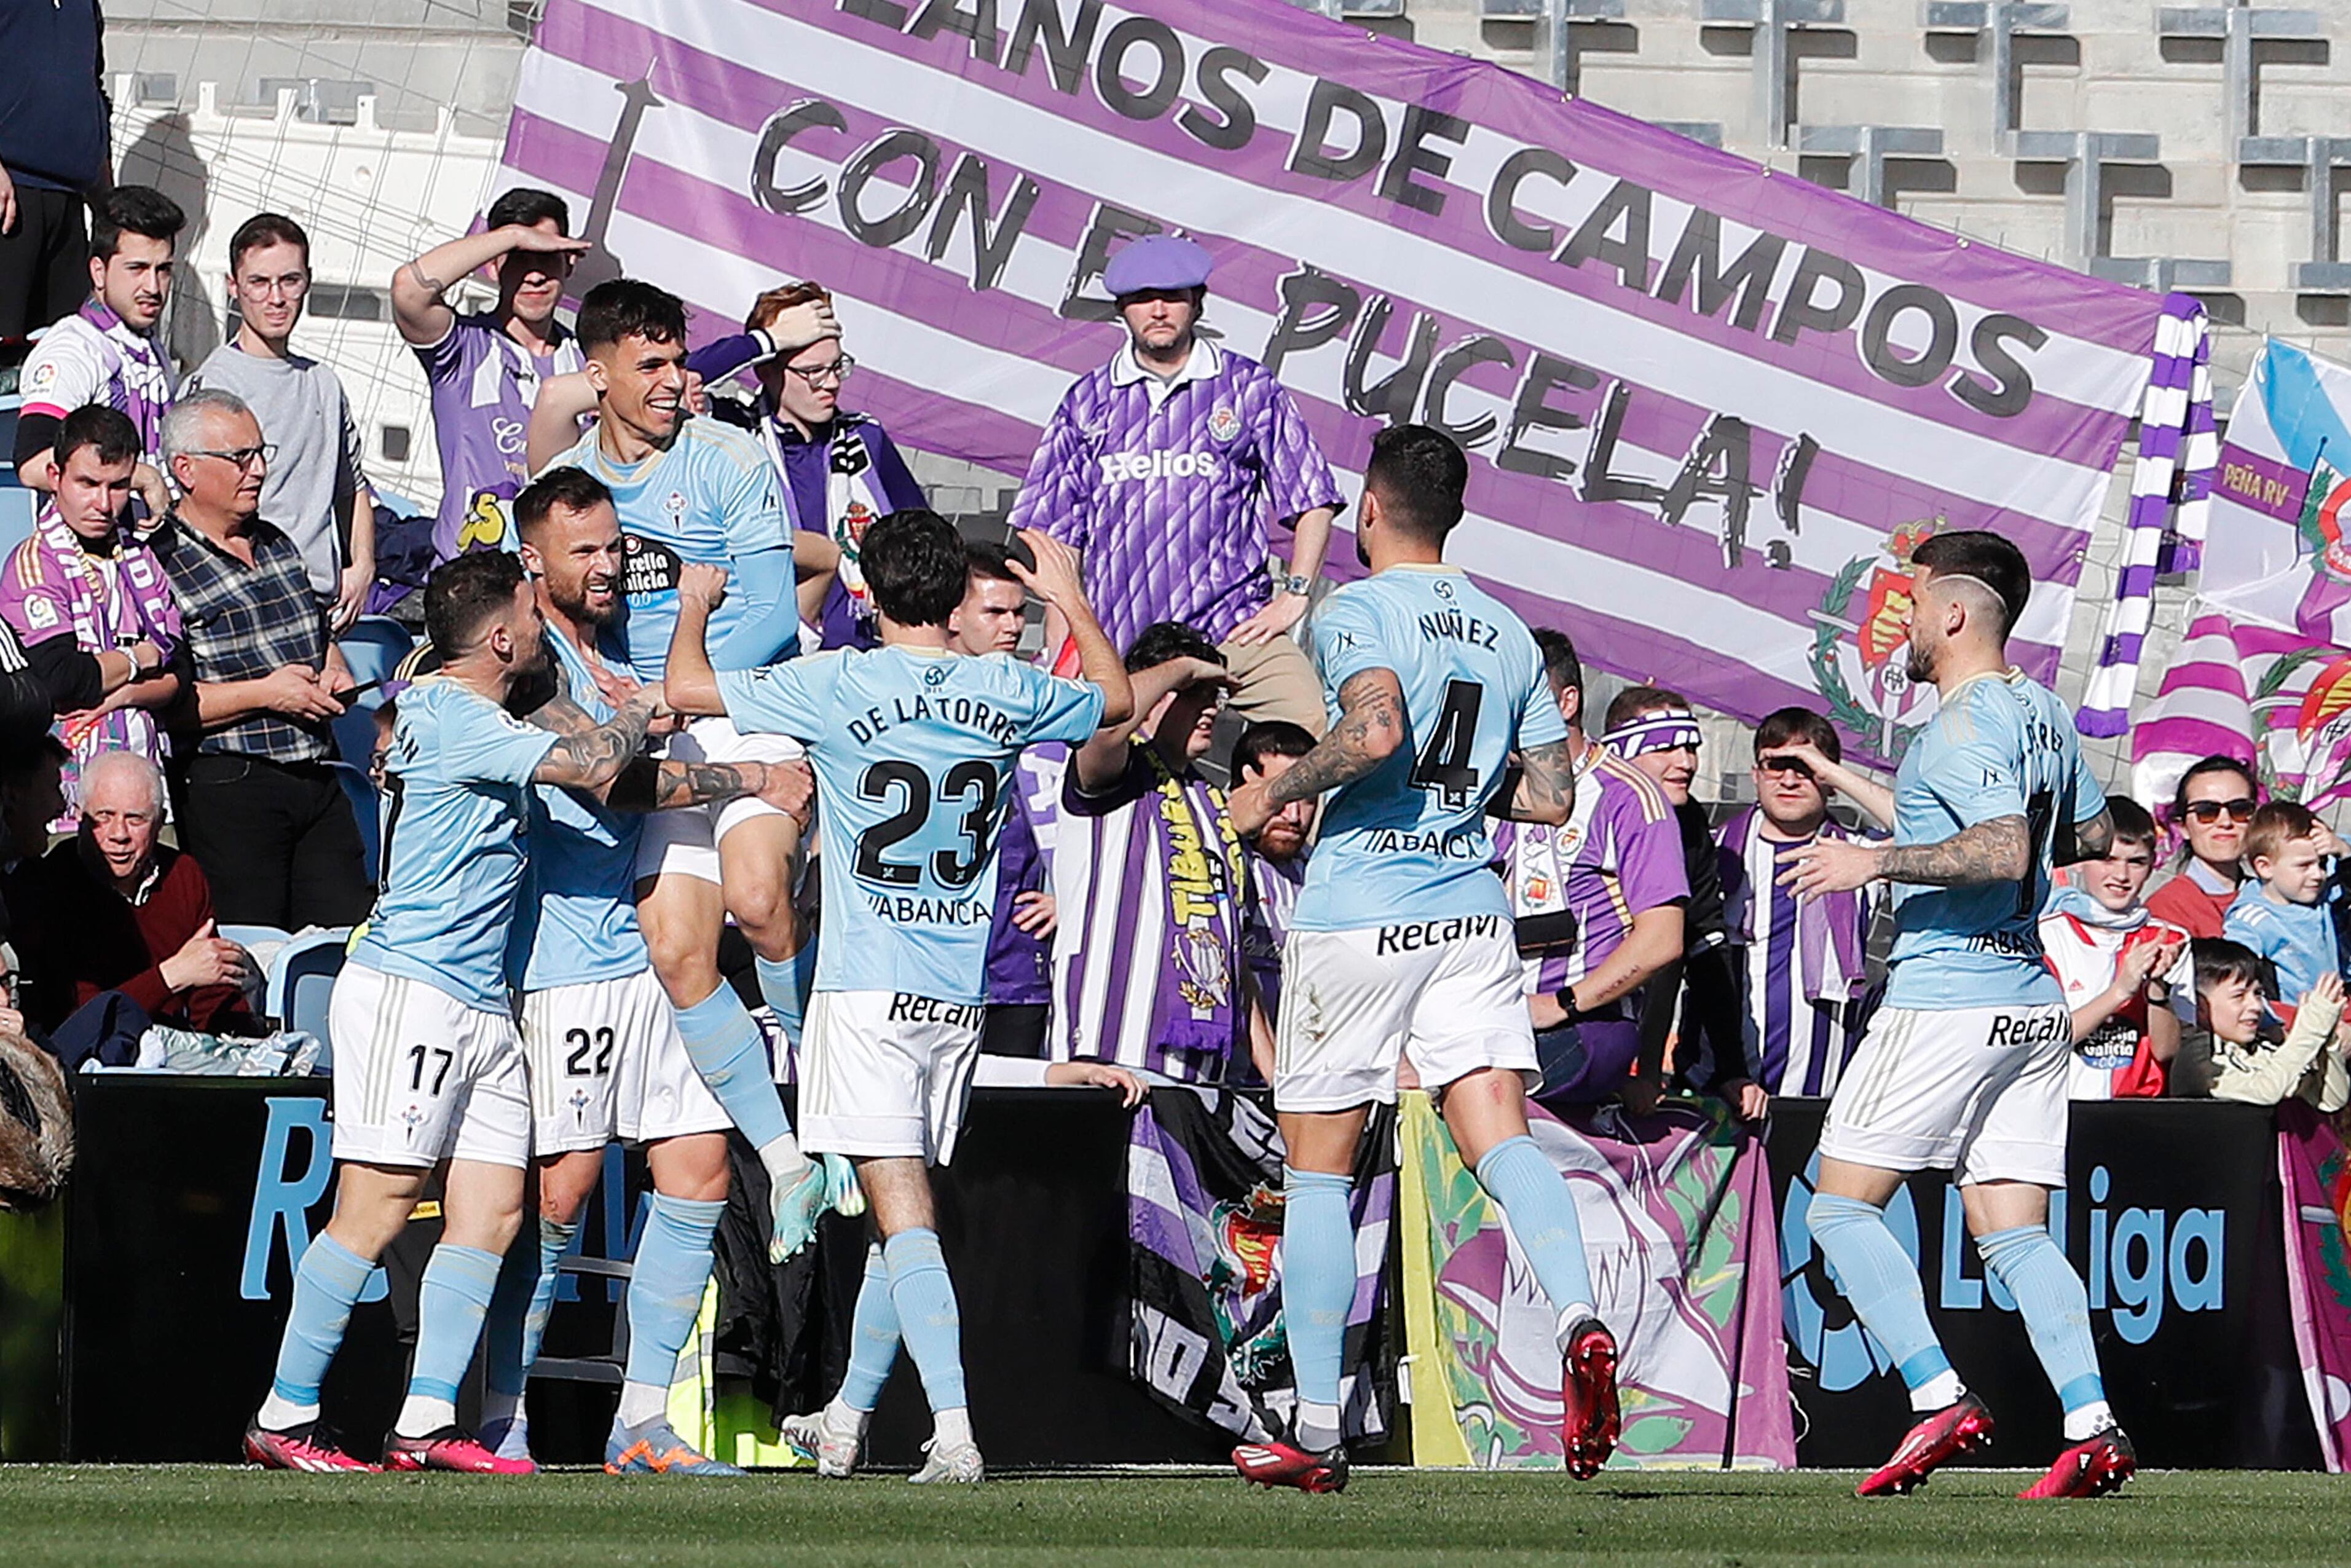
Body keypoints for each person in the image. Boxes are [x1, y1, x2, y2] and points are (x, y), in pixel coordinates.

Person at [663, 510, 1132, 1485]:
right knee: (897, 1204)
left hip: (867, 985)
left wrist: (698, 605)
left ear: (866, 595)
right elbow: (1116, 703)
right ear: (959, 601)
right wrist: (1069, 598)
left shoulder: (838, 679)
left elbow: (684, 690)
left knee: (905, 1213)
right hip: (957, 993)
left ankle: (954, 1430)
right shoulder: (1003, 685)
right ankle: (844, 1415)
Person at [1221, 424, 1602, 1494]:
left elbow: (1377, 728)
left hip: (1361, 913)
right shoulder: (1507, 631)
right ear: (1458, 516)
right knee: (1502, 1140)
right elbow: (1551, 795)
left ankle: (1315, 1425)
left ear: (1371, 511)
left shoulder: (1361, 608)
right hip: (1470, 915)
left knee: (1319, 1168)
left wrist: (1276, 789)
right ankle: (1578, 1312)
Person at [245, 548, 663, 1475]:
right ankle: (284, 1411)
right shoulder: (454, 714)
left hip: (480, 999)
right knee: (377, 1205)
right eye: (531, 610)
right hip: (415, 988)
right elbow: (591, 764)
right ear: (505, 635)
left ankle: (427, 1419)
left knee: (492, 1209)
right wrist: (636, 709)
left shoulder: (449, 700)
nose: (543, 624)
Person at [1779, 528, 2130, 1501]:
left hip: (1949, 995)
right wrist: (1849, 783)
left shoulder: (1965, 722)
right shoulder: (2039, 711)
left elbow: (2004, 848)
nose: (1900, 612)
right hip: (2026, 999)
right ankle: (2092, 1422)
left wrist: (1870, 862)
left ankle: (1936, 1395)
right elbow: (2090, 832)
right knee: (2015, 1235)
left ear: (1956, 612)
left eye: (1914, 593)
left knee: (1840, 1207)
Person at [486, 466, 815, 1475]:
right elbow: (613, 779)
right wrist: (750, 774)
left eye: (613, 546)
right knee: (564, 1189)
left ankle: (642, 1422)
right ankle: (500, 1417)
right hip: (569, 956)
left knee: (699, 1172)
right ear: (533, 558)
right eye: (583, 550)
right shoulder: (534, 667)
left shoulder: (615, 652)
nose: (607, 566)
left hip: (648, 961)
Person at [537, 278, 835, 1254]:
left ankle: (815, 1085)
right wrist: (630, 704)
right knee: (675, 949)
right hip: (651, 730)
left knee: (756, 898)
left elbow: (761, 611)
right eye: (651, 366)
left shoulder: (728, 456)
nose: (674, 384)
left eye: (679, 361)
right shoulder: (575, 482)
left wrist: (681, 690)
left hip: (738, 707)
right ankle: (790, 1156)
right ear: (599, 375)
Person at [1008, 234, 1341, 733]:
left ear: (1197, 302)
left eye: (1172, 296)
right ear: (1122, 309)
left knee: (1309, 725)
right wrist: (1065, 634)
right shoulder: (1087, 401)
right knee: (1097, 763)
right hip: (1121, 633)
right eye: (1143, 298)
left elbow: (1312, 496)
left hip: (1234, 626)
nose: (1158, 309)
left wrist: (1295, 594)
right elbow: (1053, 532)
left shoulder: (1248, 388)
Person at [150, 389, 372, 930]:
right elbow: (168, 706)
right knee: (251, 950)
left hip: (317, 775)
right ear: (186, 469)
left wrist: (334, 666)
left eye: (260, 452)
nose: (258, 469)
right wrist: (268, 694)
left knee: (346, 938)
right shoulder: (159, 565)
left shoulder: (276, 543)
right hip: (232, 784)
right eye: (239, 457)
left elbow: (317, 635)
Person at [1054, 621, 1264, 1085]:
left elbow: (1233, 953)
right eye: (1195, 692)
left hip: (1204, 1073)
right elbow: (1107, 725)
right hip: (1111, 1061)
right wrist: (1182, 668)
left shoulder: (1212, 800)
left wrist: (1276, 1076)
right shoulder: (1116, 769)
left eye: (1215, 695)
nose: (1210, 707)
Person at [1495, 630, 1685, 1109]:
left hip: (1585, 1024)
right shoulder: (1490, 790)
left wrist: (1561, 1003)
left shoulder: (1628, 795)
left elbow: (1663, 939)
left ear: (1566, 702)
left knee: (1486, 1095)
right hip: (1490, 1018)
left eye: (1516, 699)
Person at [692, 280, 916, 651]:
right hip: (767, 658)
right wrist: (766, 341)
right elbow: (683, 379)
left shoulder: (864, 438)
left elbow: (925, 542)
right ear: (766, 371)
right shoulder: (732, 432)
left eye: (837, 367)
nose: (830, 384)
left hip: (861, 655)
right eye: (813, 372)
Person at [186, 213, 375, 631]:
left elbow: (352, 486)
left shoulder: (324, 382)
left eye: (289, 281)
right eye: (259, 283)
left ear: (307, 282)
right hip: (247, 604)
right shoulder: (216, 384)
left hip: (319, 607)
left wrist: (362, 564)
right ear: (234, 288)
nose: (276, 298)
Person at [392, 187, 589, 562]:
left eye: (547, 257)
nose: (535, 276)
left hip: (561, 577)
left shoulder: (589, 360)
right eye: (519, 259)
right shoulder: (464, 349)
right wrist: (511, 236)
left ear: (569, 263)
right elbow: (408, 290)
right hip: (473, 581)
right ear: (493, 264)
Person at [0, 406, 182, 811]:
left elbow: (180, 674)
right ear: (55, 477)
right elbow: (61, 679)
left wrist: (120, 694)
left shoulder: (140, 557)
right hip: (67, 796)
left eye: (118, 486)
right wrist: (140, 657)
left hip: (147, 788)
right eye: (88, 483)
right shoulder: (35, 564)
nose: (103, 503)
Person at [4, 750, 256, 1036]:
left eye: (135, 820)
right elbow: (78, 1021)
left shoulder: (182, 874)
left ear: (160, 822)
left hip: (175, 1053)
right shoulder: (51, 883)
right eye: (104, 817)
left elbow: (214, 991)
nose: (119, 834)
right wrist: (170, 976)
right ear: (80, 817)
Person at [1713, 707, 1891, 1100]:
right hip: (1718, 1087)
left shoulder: (1863, 855)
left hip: (1821, 1094)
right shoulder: (1714, 851)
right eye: (1777, 765)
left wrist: (1837, 773)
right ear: (1755, 774)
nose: (1791, 779)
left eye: (1807, 767)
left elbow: (1941, 832)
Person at [1594, 685, 1755, 1117]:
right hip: (1555, 1026)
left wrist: (1730, 1069)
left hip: (1628, 1047)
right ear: (1622, 749)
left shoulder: (1689, 822)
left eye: (1691, 747)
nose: (1685, 762)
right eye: (1666, 747)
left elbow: (1702, 940)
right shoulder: (1576, 809)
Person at [953, 542, 1059, 1058]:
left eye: (1020, 612)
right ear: (952, 614)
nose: (1013, 627)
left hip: (1017, 968)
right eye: (995, 612)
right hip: (932, 969)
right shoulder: (911, 697)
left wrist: (1074, 897)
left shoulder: (1045, 701)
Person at [14, 185, 182, 513]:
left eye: (163, 270)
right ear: (99, 271)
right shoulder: (75, 348)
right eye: (137, 269)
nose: (153, 287)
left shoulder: (149, 345)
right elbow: (33, 464)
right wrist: (138, 477)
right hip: (83, 556)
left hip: (144, 551)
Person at [2038, 798, 2189, 1100]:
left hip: (2138, 1113)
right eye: (2108, 859)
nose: (2121, 876)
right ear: (2079, 860)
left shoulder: (2170, 939)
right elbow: (2048, 1040)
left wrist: (2157, 988)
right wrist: (2121, 991)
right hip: (2064, 1107)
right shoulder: (2046, 935)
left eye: (2136, 862)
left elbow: (2167, 1050)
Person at [0, 0, 108, 338]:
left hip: (71, 204)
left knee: (63, 350)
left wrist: (107, 198)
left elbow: (92, 87)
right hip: (10, 197)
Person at [2175, 939, 2349, 1110]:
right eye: (2239, 996)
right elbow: (2265, 1091)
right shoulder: (2196, 1057)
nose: (2256, 1006)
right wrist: (2311, 1029)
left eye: (2258, 993)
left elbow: (2331, 1100)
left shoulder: (2261, 1049)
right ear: (2200, 1006)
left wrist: (2328, 1039)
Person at [2222, 801, 2349, 1013]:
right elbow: (2239, 981)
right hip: (2292, 1022)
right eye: (2304, 866)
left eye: (2322, 863)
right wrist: (2272, 1024)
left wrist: (2344, 851)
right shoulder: (2253, 919)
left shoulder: (2327, 894)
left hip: (2339, 1009)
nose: (2318, 875)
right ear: (2265, 867)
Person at [1233, 720, 1316, 1035]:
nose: (1294, 816)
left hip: (1299, 1069)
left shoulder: (1322, 874)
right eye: (1280, 795)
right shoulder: (1214, 858)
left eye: (1307, 798)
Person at [2144, 757, 2259, 939]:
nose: (2225, 822)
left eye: (2240, 809)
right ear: (2183, 827)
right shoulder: (2166, 910)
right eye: (2206, 812)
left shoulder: (2274, 893)